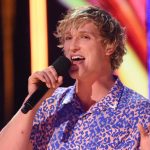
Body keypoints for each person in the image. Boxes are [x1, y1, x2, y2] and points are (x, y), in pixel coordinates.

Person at [0, 5, 150, 150]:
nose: (72, 46)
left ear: (109, 45)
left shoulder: (140, 112)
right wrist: (31, 102)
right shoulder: (49, 103)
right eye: (68, 38)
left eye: (84, 37)